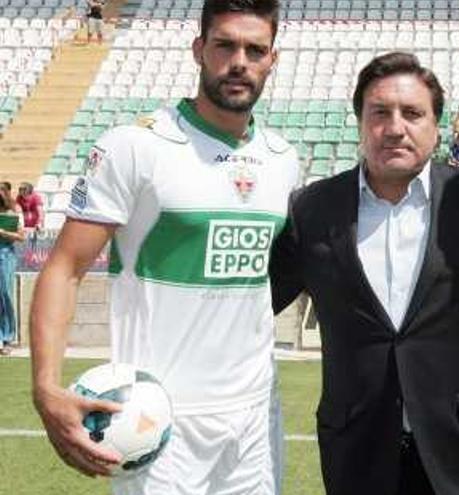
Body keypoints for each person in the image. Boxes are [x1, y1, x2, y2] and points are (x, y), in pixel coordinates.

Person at [30, 0, 297, 493]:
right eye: (225, 45)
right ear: (198, 50)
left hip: (255, 416)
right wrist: (46, 386)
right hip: (157, 418)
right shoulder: (136, 147)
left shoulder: (283, 159)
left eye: (255, 49)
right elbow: (64, 268)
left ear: (272, 60)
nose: (240, 61)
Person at [269, 51, 459, 495]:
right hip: (357, 451)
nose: (395, 128)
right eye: (379, 113)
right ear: (359, 122)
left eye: (412, 113)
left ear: (437, 125)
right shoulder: (312, 209)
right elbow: (249, 306)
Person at [0, 182, 24, 356]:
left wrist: (2, 233)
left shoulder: (13, 213)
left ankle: (8, 336)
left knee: (5, 294)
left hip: (6, 255)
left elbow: (20, 236)